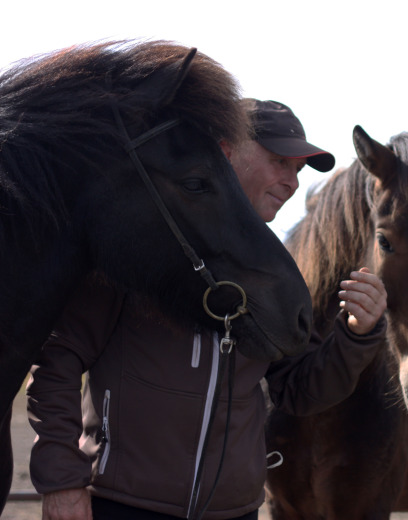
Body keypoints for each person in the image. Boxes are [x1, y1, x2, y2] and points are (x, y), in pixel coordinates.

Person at [27, 99, 388, 520]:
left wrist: (357, 335)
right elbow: (58, 359)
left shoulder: (278, 271)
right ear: (225, 151)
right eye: (279, 162)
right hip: (122, 506)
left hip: (233, 512)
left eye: (298, 170)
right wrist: (63, 479)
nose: (291, 182)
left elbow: (299, 390)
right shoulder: (136, 247)